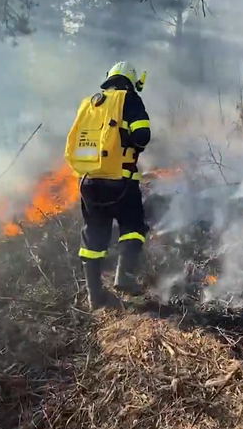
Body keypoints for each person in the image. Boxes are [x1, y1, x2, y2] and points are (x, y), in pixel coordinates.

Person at [65, 61, 151, 310]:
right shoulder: (129, 100)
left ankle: (95, 297)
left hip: (89, 181)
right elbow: (142, 135)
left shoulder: (92, 103)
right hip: (121, 180)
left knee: (94, 236)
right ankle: (124, 278)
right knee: (133, 226)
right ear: (131, 82)